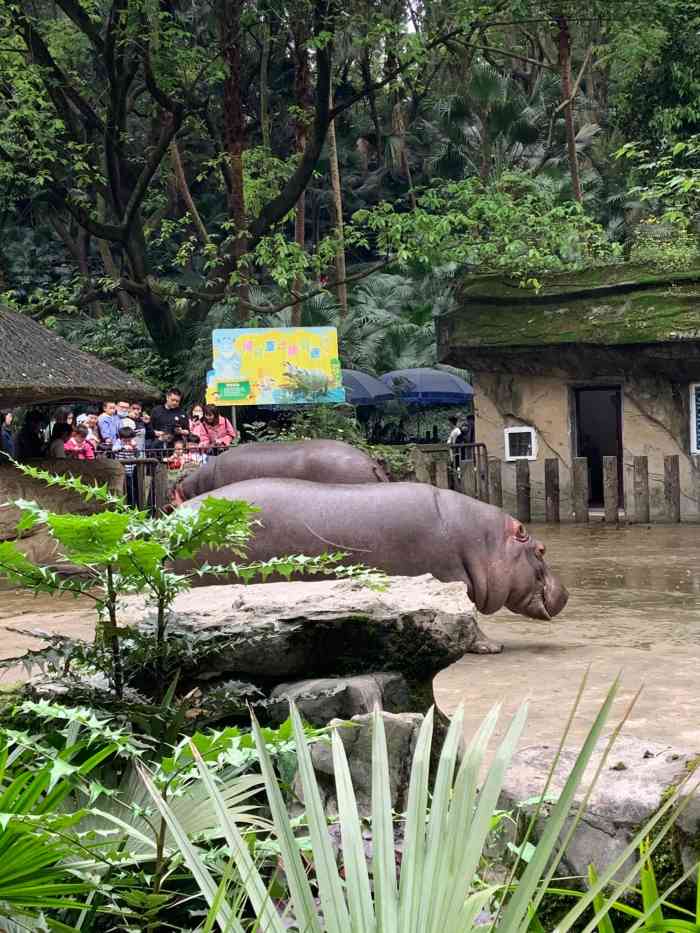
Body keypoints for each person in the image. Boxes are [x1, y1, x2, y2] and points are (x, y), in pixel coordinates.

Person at [150, 388, 188, 452]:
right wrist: (158, 433)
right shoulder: (156, 411)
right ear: (167, 397)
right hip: (159, 445)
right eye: (173, 400)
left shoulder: (182, 413)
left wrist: (180, 431)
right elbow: (150, 429)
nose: (175, 403)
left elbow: (187, 430)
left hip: (176, 448)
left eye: (177, 401)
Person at [112, 426, 140, 504]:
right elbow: (114, 449)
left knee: (133, 490)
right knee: (124, 490)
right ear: (121, 438)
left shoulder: (133, 443)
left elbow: (138, 455)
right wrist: (123, 447)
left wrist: (135, 448)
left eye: (129, 440)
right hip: (122, 470)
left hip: (132, 470)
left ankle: (133, 506)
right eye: (125, 440)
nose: (127, 442)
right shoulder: (118, 442)